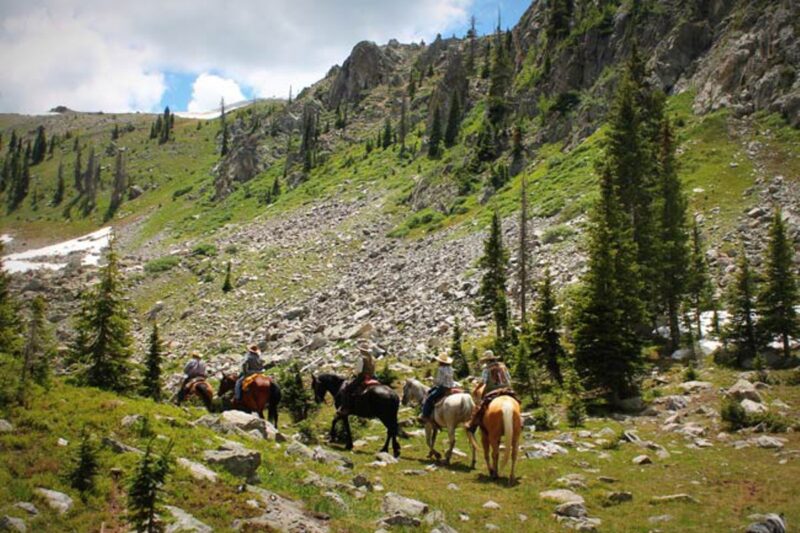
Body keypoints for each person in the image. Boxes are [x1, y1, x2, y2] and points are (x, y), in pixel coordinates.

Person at [467, 350, 515, 432]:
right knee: (516, 400)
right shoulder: (503, 366)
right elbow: (509, 379)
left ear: (486, 360)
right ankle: (520, 420)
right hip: (506, 389)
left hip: (492, 390)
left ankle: (473, 424)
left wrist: (476, 389)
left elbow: (483, 382)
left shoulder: (486, 369)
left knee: (480, 407)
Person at [338, 341, 377, 414]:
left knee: (346, 389)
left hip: (363, 377)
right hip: (372, 376)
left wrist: (353, 373)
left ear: (361, 350)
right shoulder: (372, 358)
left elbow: (359, 371)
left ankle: (346, 407)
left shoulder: (361, 358)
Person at [420, 354, 455, 423]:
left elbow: (439, 382)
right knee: (430, 391)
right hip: (450, 387)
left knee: (429, 398)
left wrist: (431, 379)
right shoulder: (451, 368)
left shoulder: (440, 369)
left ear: (441, 362)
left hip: (442, 388)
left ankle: (425, 416)